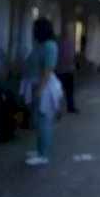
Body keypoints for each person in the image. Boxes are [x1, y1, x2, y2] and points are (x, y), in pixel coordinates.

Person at [24, 17, 63, 166]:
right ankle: (40, 149)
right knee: (39, 120)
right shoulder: (40, 45)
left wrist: (39, 91)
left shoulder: (49, 46)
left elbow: (47, 71)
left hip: (45, 86)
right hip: (37, 83)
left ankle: (43, 154)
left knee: (44, 120)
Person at [56, 22, 79, 113]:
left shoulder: (71, 42)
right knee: (59, 91)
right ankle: (57, 109)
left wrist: (74, 64)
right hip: (60, 70)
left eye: (70, 30)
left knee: (70, 91)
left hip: (69, 69)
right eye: (67, 30)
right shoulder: (59, 42)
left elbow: (73, 55)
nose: (69, 31)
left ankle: (71, 107)